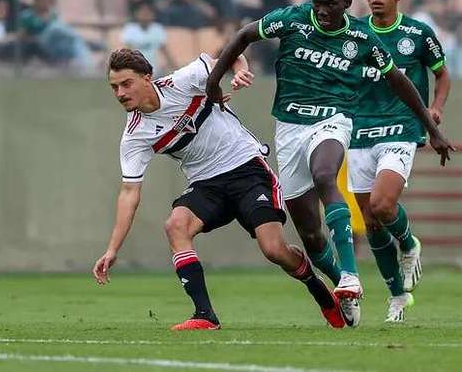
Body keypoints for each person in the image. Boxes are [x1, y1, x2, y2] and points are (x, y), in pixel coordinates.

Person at [205, 0, 454, 328]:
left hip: (335, 119)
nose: (322, 11)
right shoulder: (291, 19)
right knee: (309, 233)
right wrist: (215, 80)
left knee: (327, 175)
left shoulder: (360, 36)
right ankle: (341, 281)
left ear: (346, 4)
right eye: (317, 3)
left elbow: (399, 81)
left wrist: (432, 128)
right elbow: (244, 34)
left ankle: (352, 276)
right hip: (289, 127)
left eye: (330, 5)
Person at [93, 48, 346, 331]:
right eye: (114, 87)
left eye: (126, 84)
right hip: (206, 184)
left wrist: (240, 70)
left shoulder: (184, 81)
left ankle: (316, 287)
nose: (120, 93)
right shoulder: (135, 135)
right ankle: (205, 315)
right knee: (176, 225)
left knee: (274, 250)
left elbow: (231, 52)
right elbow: (129, 193)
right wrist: (112, 249)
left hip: (247, 169)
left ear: (147, 78)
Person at [352, 0, 453, 322]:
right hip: (358, 131)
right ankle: (397, 296)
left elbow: (442, 74)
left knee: (382, 204)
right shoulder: (355, 32)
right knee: (371, 222)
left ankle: (409, 244)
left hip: (402, 128)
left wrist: (435, 109)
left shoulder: (418, 34)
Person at [120, 0, 176, 74]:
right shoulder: (130, 29)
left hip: (153, 70)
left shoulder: (158, 29)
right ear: (136, 14)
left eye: (148, 12)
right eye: (142, 12)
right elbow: (127, 51)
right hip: (135, 70)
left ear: (153, 14)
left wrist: (174, 66)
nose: (145, 14)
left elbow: (164, 50)